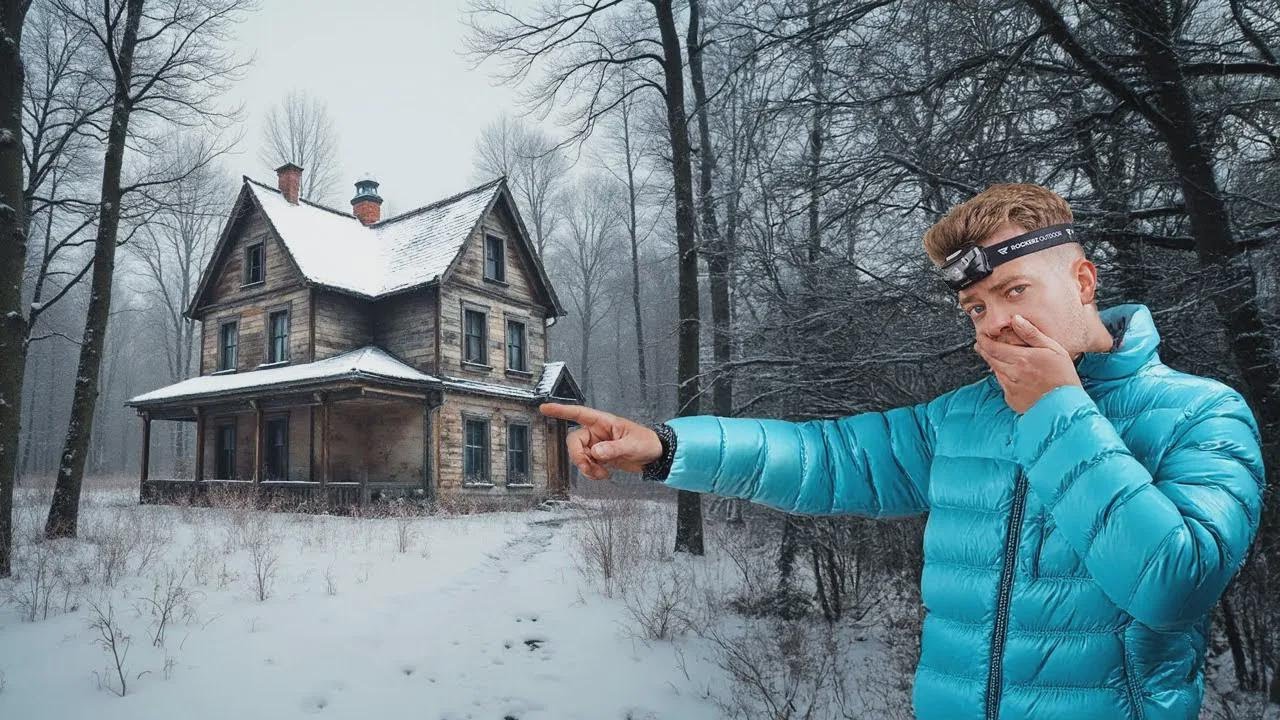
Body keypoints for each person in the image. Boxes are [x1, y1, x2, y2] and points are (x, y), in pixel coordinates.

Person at [538, 183, 1266, 720]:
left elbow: (1174, 585)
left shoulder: (1200, 412)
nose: (995, 325)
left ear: (1082, 279)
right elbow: (827, 459)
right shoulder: (963, 419)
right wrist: (666, 446)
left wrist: (1055, 408)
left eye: (1014, 291)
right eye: (977, 308)